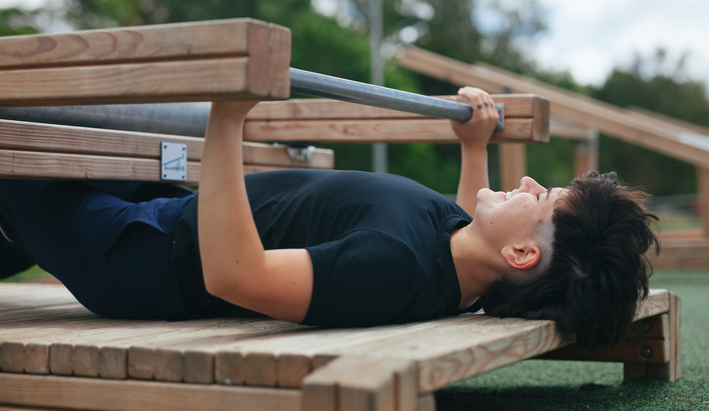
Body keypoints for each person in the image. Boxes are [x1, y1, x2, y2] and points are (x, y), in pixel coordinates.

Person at [0, 87, 658, 347]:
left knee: (13, 158)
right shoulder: (458, 270)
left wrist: (228, 115)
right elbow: (463, 226)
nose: (528, 183)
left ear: (522, 256)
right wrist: (474, 150)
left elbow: (235, 273)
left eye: (540, 200)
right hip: (163, 215)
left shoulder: (390, 265)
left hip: (137, 252)